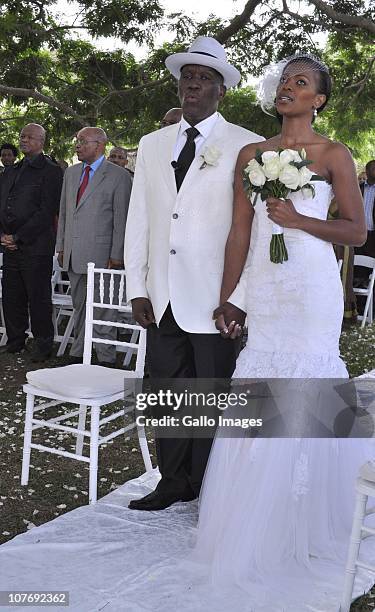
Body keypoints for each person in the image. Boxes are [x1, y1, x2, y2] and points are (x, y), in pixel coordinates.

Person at [193, 55, 374, 609]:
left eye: (302, 82)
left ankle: (305, 518)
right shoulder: (252, 155)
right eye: (285, 81)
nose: (288, 88)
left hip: (313, 292)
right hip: (266, 293)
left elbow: (358, 231)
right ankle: (255, 525)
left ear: (318, 99)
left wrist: (299, 222)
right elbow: (238, 236)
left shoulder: (335, 154)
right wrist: (228, 299)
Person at [124, 36, 264, 511]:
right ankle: (171, 481)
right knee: (165, 392)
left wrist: (240, 296)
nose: (193, 84)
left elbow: (255, 233)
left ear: (221, 90)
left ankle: (208, 486)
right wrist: (137, 287)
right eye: (187, 77)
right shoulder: (151, 143)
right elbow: (139, 218)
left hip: (216, 300)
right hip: (162, 296)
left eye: (204, 78)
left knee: (212, 397)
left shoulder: (246, 145)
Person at [56, 127, 132, 365]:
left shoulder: (118, 176)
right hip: (73, 254)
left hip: (104, 256)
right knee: (80, 307)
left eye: (82, 141)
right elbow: (65, 213)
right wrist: (61, 247)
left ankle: (106, 357)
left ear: (99, 145)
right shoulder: (71, 173)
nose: (77, 146)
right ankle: (79, 353)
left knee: (104, 309)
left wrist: (117, 254)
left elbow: (122, 219)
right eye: (76, 141)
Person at [0, 124, 63, 361]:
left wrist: (19, 237)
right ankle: (16, 341)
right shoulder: (11, 171)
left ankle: (43, 344)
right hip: (9, 246)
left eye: (29, 137)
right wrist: (4, 236)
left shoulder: (51, 170)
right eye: (21, 136)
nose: (23, 140)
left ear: (41, 141)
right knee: (12, 296)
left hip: (35, 246)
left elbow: (47, 210)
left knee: (38, 298)